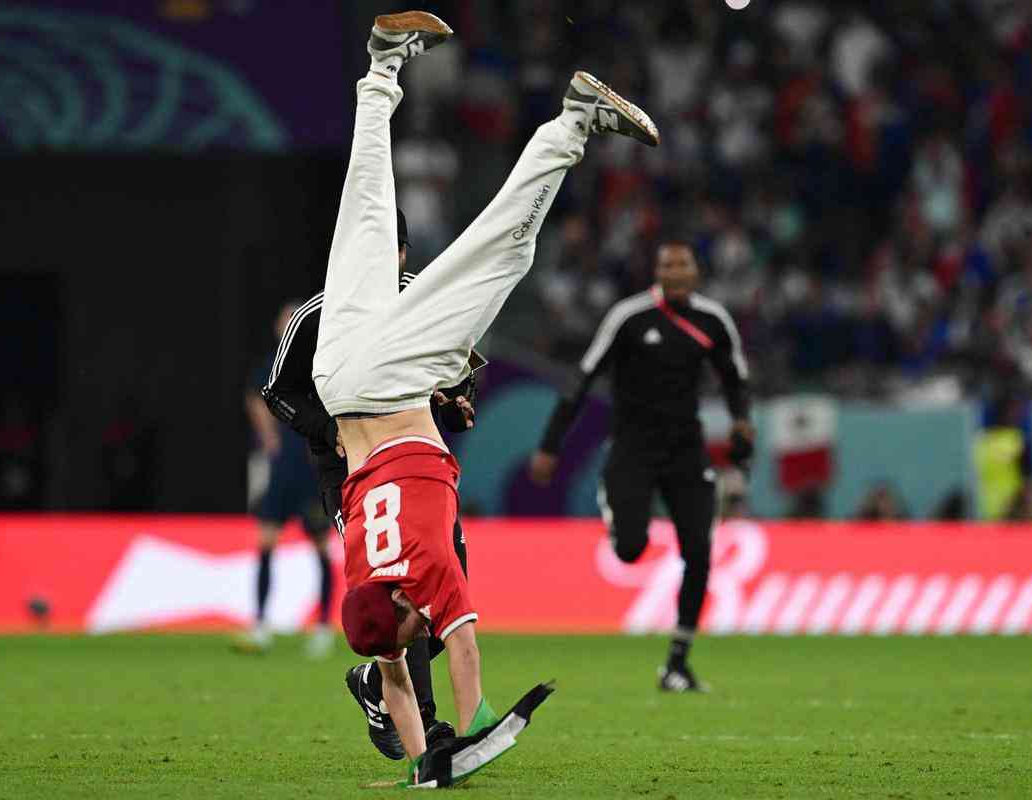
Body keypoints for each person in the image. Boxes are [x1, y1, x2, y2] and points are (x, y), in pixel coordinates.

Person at [313, 11, 658, 786]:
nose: (407, 640)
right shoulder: (365, 581)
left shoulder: (426, 570)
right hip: (337, 385)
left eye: (402, 632)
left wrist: (463, 736)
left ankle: (574, 119)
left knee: (501, 252)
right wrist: (418, 757)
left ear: (398, 608)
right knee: (366, 210)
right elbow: (396, 672)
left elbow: (458, 651)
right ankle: (381, 69)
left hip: (391, 384)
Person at [261, 207, 480, 758]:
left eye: (388, 251)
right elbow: (277, 392)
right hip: (352, 468)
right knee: (397, 584)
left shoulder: (425, 302)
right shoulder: (317, 315)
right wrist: (328, 427)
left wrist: (456, 408)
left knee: (447, 587)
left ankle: (373, 682)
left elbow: (457, 380)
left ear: (403, 253)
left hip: (417, 456)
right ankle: (427, 731)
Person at [529, 241, 753, 693]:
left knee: (700, 550)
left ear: (696, 271)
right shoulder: (629, 317)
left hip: (686, 450)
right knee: (630, 548)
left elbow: (734, 377)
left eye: (682, 264)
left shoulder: (712, 320)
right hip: (633, 448)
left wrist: (742, 421)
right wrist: (551, 444)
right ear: (656, 271)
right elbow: (582, 378)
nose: (673, 271)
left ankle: (677, 663)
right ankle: (613, 501)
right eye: (666, 264)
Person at [238, 304, 334, 656]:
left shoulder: (318, 364)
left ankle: (324, 627)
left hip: (310, 471)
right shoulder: (272, 365)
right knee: (266, 541)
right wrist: (269, 437)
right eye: (284, 320)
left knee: (322, 546)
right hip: (281, 469)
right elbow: (253, 397)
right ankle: (260, 624)